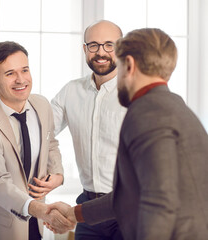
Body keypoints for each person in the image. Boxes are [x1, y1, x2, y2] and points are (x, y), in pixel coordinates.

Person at [47, 28, 208, 240]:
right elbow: (131, 195)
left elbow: (159, 201)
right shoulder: (175, 106)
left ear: (129, 65)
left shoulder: (145, 111)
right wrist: (75, 213)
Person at [0, 41, 73, 240]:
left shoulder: (41, 105)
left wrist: (58, 174)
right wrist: (44, 210)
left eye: (25, 70)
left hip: (36, 223)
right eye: (10, 73)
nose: (21, 80)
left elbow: (50, 142)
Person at [51, 20, 125, 239]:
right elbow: (42, 131)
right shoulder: (71, 91)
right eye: (93, 45)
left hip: (128, 207)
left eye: (109, 45)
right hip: (89, 208)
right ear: (85, 49)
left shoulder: (135, 92)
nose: (101, 52)